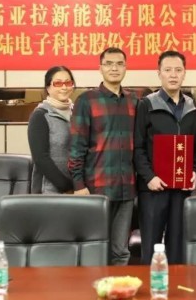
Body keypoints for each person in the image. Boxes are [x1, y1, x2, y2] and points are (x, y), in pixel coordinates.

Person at [68, 47, 138, 266]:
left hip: (127, 186)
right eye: (109, 64)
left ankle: (118, 286)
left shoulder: (134, 100)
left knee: (121, 251)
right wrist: (78, 184)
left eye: (119, 64)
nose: (114, 68)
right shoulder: (86, 100)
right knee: (95, 250)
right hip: (96, 187)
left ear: (125, 67)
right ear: (100, 68)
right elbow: (77, 146)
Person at [134, 50, 196, 265]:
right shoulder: (146, 104)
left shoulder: (193, 107)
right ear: (159, 73)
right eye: (168, 70)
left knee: (178, 244)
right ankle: (150, 284)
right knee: (151, 246)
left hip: (181, 188)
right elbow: (137, 146)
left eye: (178, 70)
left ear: (184, 73)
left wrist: (193, 170)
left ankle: (177, 285)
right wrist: (149, 177)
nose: (173, 75)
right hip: (153, 188)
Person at [27, 66, 76, 194]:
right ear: (48, 88)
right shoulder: (40, 115)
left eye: (68, 83)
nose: (64, 87)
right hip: (49, 191)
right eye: (58, 83)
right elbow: (40, 158)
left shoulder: (77, 113)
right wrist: (67, 187)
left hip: (77, 189)